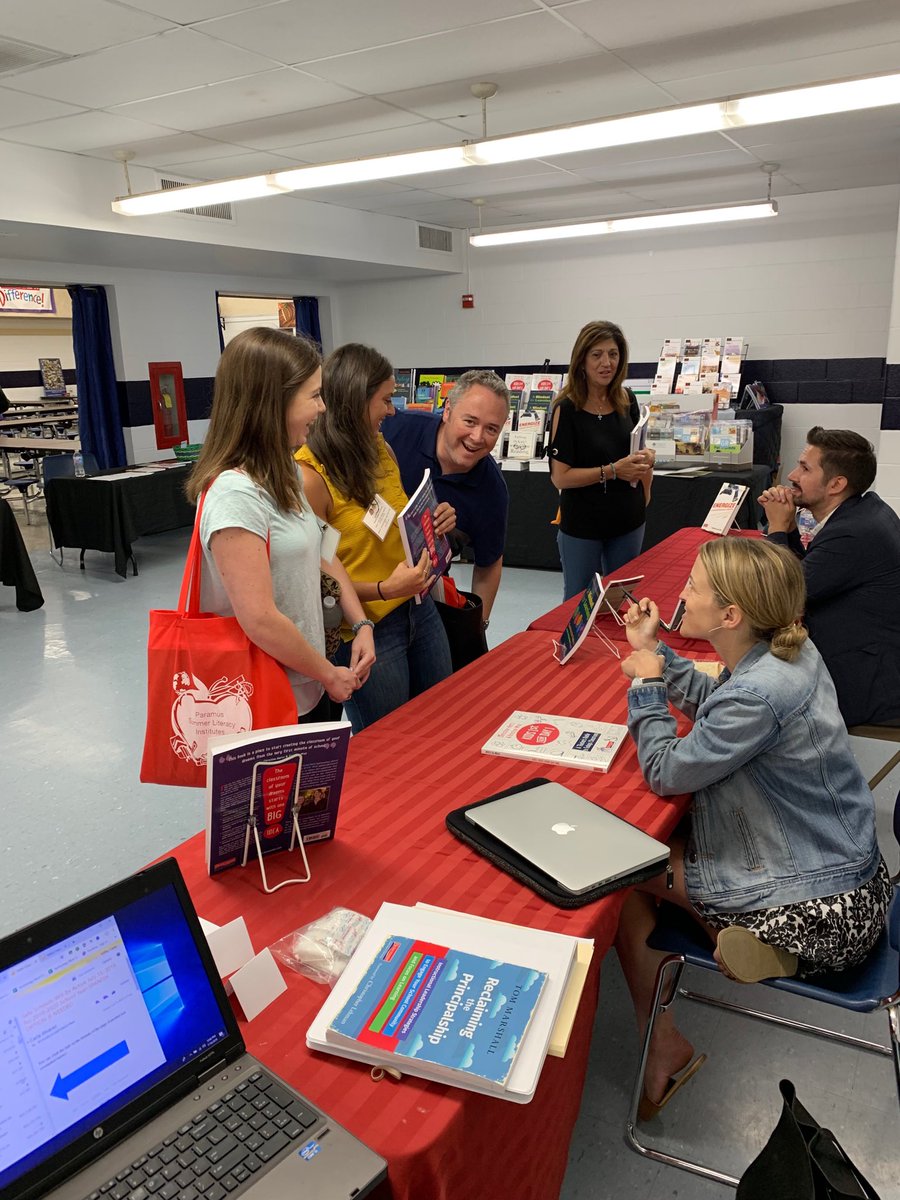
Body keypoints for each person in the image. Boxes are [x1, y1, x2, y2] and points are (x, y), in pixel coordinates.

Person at [614, 537, 890, 1117]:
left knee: (617, 872)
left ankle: (666, 1038)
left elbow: (664, 770)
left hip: (818, 908)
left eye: (693, 586)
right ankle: (709, 952)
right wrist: (656, 651)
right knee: (650, 868)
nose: (681, 594)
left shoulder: (762, 694)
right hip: (856, 883)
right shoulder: (788, 655)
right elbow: (725, 699)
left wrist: (645, 684)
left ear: (731, 615)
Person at [186, 327, 375, 723]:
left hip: (311, 685)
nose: (323, 408)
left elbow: (323, 553)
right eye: (314, 395)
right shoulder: (235, 496)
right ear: (273, 401)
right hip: (263, 698)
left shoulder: (285, 471)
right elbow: (260, 619)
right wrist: (327, 673)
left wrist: (360, 623)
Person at [298, 343, 454, 733]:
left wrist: (431, 524)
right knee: (390, 744)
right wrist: (385, 588)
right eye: (385, 400)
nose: (392, 410)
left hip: (419, 610)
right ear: (354, 401)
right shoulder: (310, 477)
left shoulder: (381, 450)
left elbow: (394, 526)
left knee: (443, 722)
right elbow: (319, 578)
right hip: (367, 632)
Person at [759, 426, 900, 727]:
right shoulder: (862, 512)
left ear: (836, 484)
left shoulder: (855, 532)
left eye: (805, 468)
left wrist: (778, 530)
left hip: (865, 685)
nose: (793, 476)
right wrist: (791, 530)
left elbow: (781, 595)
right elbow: (809, 572)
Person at [383, 369, 509, 623]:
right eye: (470, 422)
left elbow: (489, 562)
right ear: (448, 411)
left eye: (491, 429)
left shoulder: (492, 490)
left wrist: (477, 625)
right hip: (370, 586)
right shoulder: (397, 429)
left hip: (425, 597)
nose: (477, 437)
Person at [549, 320, 654, 600]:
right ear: (581, 360)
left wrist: (646, 463)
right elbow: (560, 477)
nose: (606, 362)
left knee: (622, 602)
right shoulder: (566, 409)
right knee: (578, 603)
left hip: (628, 521)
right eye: (597, 355)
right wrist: (613, 471)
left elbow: (637, 450)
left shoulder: (627, 400)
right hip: (583, 527)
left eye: (613, 354)